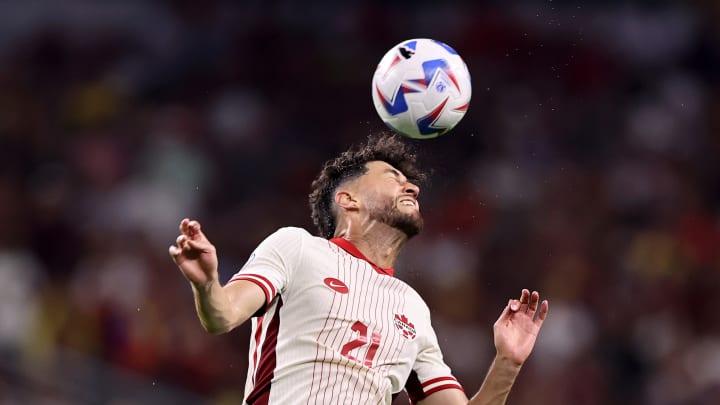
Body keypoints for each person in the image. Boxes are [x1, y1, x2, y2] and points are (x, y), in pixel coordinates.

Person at [169, 133, 549, 404]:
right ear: (348, 200)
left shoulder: (413, 308)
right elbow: (222, 316)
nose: (412, 188)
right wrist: (207, 286)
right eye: (393, 178)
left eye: (410, 183)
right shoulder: (298, 248)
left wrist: (507, 361)